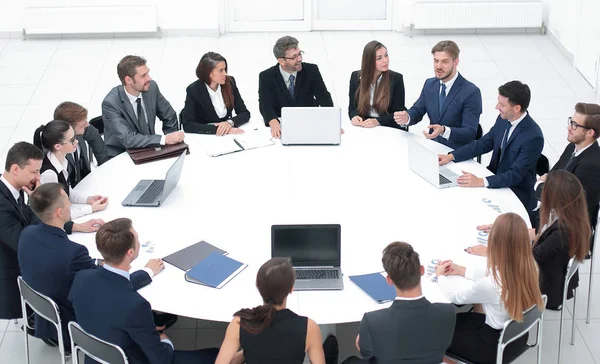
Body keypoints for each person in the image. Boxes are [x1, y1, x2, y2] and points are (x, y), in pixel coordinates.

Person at [17, 183, 160, 349]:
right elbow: (111, 285)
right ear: (60, 212)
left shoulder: (27, 234)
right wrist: (148, 271)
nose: (70, 204)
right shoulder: (73, 253)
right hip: (70, 322)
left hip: (43, 312)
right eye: (67, 201)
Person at [69, 218, 218, 364]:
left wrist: (141, 325)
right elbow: (162, 359)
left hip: (94, 356)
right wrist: (164, 340)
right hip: (132, 358)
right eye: (138, 240)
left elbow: (108, 296)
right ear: (130, 252)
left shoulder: (82, 278)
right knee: (216, 354)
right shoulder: (135, 306)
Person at [0, 142, 102, 321]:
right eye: (33, 172)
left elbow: (27, 221)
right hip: (13, 273)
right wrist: (37, 203)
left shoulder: (16, 189)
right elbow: (23, 241)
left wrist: (74, 226)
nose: (37, 177)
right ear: (15, 169)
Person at [467, 171, 591, 310]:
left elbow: (529, 259)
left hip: (543, 284)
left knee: (487, 283)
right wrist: (506, 230)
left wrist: (493, 252)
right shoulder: (567, 215)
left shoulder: (562, 233)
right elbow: (540, 233)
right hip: (545, 269)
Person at [436, 213, 544, 364]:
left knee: (436, 332)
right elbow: (495, 271)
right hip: (518, 337)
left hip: (491, 348)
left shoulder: (489, 284)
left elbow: (455, 297)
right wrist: (461, 270)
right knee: (460, 319)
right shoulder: (531, 266)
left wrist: (440, 275)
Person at [438, 81, 544, 222]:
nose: (497, 107)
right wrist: (452, 156)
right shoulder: (503, 120)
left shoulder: (533, 136)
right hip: (493, 180)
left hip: (514, 193)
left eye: (502, 105)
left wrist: (481, 181)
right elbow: (484, 144)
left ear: (517, 108)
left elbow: (515, 175)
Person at [342, 242, 455, 364]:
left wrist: (363, 342)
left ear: (389, 280)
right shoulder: (447, 312)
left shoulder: (372, 321)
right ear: (421, 270)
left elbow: (366, 354)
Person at [216, 257, 328, 364]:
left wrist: (248, 352)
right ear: (291, 289)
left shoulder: (239, 323)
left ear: (257, 286)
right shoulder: (309, 327)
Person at [393, 40, 482, 149]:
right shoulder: (430, 84)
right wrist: (407, 117)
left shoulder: (471, 92)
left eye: (445, 62)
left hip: (456, 153)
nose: (438, 66)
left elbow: (470, 133)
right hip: (432, 147)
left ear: (456, 62)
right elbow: (418, 110)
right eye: (436, 61)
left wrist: (444, 130)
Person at [102, 55, 185, 157]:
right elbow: (127, 138)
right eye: (143, 76)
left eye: (148, 73)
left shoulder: (151, 88)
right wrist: (164, 139)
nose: (149, 78)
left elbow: (169, 115)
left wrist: (172, 144)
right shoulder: (111, 103)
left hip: (149, 148)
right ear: (128, 80)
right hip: (123, 154)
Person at [535, 102, 600, 231]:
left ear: (590, 133)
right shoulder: (572, 146)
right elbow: (553, 174)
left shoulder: (591, 166)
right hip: (549, 216)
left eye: (575, 125)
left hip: (565, 230)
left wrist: (539, 186)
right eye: (571, 121)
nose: (569, 127)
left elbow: (566, 204)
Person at [259, 36, 334, 138]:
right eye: (294, 57)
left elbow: (324, 97)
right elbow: (265, 104)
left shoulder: (312, 70)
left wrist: (331, 121)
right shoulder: (266, 77)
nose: (299, 59)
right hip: (282, 123)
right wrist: (273, 122)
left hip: (309, 122)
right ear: (281, 61)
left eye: (299, 54)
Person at [34, 120, 109, 220]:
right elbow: (57, 215)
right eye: (72, 140)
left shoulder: (62, 161)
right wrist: (91, 209)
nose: (77, 141)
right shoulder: (49, 174)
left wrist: (88, 200)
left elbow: (67, 191)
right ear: (58, 146)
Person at [182, 52, 250, 136]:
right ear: (208, 73)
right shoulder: (193, 90)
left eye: (225, 69)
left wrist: (229, 123)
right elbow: (188, 125)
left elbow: (244, 113)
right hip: (205, 137)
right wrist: (220, 129)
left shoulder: (230, 82)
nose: (225, 73)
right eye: (221, 70)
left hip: (228, 137)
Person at [348, 41, 406, 130]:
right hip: (365, 126)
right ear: (369, 61)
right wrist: (354, 117)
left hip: (387, 126)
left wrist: (377, 121)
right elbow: (352, 107)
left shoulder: (396, 78)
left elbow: (397, 114)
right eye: (379, 58)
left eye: (386, 55)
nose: (385, 60)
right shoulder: (355, 77)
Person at [53, 101, 109, 186]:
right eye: (83, 125)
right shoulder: (54, 150)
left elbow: (94, 137)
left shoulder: (83, 130)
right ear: (69, 129)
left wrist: (106, 169)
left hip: (84, 182)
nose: (87, 125)